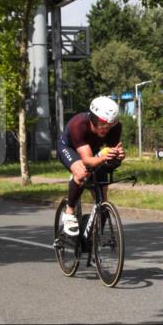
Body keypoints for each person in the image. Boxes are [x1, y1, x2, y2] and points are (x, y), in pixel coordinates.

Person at [57, 96, 125, 236]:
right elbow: (87, 160)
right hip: (69, 148)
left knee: (103, 202)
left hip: (92, 150)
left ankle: (93, 238)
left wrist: (117, 157)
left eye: (110, 124)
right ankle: (69, 211)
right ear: (93, 118)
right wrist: (103, 157)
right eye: (103, 123)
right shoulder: (79, 124)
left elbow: (109, 159)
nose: (106, 128)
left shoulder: (115, 128)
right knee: (82, 173)